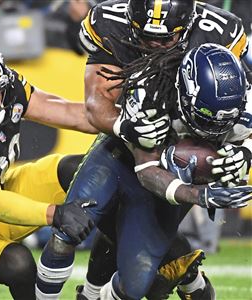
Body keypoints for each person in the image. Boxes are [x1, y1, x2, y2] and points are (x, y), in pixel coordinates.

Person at [36, 0, 252, 298]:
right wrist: (197, 194)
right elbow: (146, 165)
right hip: (129, 155)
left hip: (173, 171)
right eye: (147, 37)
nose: (155, 45)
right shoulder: (150, 88)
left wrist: (244, 153)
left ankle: (177, 274)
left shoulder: (235, 86)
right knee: (68, 230)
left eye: (165, 38)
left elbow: (240, 130)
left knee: (138, 287)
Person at [0, 40, 99, 300]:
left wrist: (123, 121)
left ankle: (103, 281)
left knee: (80, 170)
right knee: (18, 263)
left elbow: (69, 112)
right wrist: (56, 214)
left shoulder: (8, 90)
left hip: (1, 189)